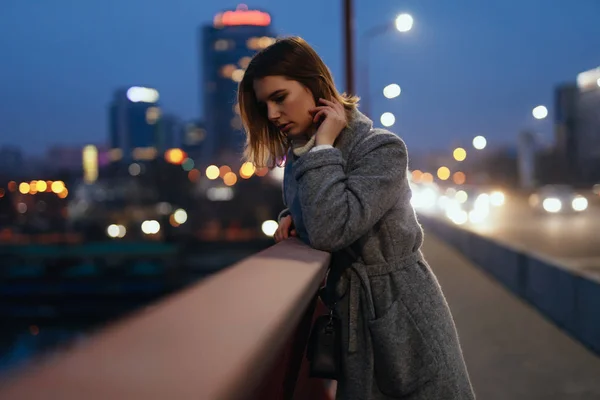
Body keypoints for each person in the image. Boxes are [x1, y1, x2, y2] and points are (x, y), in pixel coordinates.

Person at [238, 36, 475, 400]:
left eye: (280, 98)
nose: (271, 115)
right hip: (354, 316)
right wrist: (295, 214)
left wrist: (322, 150)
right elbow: (325, 210)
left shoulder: (381, 148)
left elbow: (332, 231)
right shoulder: (305, 152)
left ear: (314, 84)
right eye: (264, 105)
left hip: (402, 314)